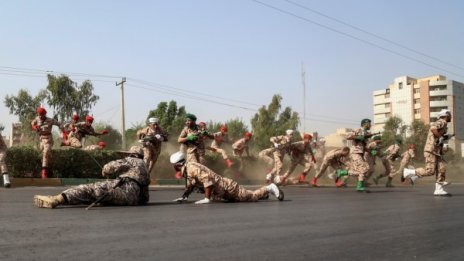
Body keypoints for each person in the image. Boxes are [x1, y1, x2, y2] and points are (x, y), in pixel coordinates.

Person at [33, 146, 150, 208]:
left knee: (89, 189)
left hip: (125, 188)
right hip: (132, 199)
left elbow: (110, 167)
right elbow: (145, 197)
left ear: (132, 154)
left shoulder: (131, 160)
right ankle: (66, 199)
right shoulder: (144, 167)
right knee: (96, 195)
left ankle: (58, 199)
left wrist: (105, 170)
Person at [170, 151, 284, 204]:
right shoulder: (188, 168)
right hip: (222, 191)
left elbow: (207, 180)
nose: (173, 168)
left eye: (174, 166)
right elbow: (191, 184)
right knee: (249, 196)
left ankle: (270, 188)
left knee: (251, 197)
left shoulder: (191, 168)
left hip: (228, 188)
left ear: (178, 164)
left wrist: (206, 199)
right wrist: (184, 197)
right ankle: (264, 194)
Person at [403, 109, 453, 196]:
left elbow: (438, 137)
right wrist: (440, 137)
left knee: (441, 169)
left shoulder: (444, 125)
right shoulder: (442, 121)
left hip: (436, 151)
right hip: (431, 150)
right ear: (446, 115)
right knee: (430, 171)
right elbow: (433, 129)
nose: (450, 117)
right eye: (449, 115)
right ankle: (409, 172)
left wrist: (445, 137)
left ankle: (439, 189)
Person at [337, 119, 374, 192]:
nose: (370, 125)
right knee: (363, 169)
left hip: (360, 153)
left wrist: (370, 151)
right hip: (355, 153)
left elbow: (363, 146)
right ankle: (359, 186)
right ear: (365, 124)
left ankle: (343, 173)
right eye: (369, 123)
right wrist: (358, 137)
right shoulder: (359, 130)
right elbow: (348, 136)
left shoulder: (365, 133)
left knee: (365, 168)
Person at [31, 107, 64, 179]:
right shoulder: (37, 119)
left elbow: (59, 124)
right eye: (39, 114)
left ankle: (44, 173)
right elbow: (32, 123)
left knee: (45, 153)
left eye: (41, 115)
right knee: (40, 154)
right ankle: (40, 169)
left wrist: (63, 131)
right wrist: (35, 127)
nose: (40, 116)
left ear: (44, 114)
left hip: (48, 139)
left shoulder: (50, 120)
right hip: (40, 140)